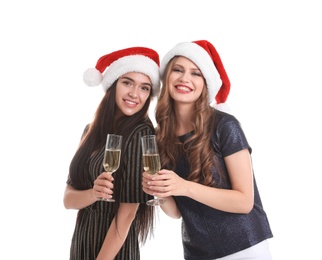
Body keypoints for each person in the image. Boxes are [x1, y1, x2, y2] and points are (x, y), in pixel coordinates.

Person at [142, 40, 273, 259]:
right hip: (197, 252)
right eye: (178, 70)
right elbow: (177, 213)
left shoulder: (224, 125)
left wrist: (184, 186)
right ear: (167, 77)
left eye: (196, 73)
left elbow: (244, 201)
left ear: (205, 84)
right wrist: (161, 193)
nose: (185, 78)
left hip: (244, 248)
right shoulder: (159, 138)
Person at [64, 46, 160, 260]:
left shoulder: (141, 133)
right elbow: (68, 199)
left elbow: (125, 216)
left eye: (144, 88)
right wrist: (93, 194)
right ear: (113, 84)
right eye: (127, 83)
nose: (135, 94)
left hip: (114, 252)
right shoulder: (90, 131)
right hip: (81, 243)